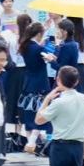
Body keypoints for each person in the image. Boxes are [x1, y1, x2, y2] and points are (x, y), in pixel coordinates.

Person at [18, 22, 53, 154]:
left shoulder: (25, 46)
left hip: (28, 82)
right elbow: (50, 57)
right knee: (41, 111)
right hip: (40, 83)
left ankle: (30, 141)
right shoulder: (38, 49)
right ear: (39, 34)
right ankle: (32, 141)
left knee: (28, 112)